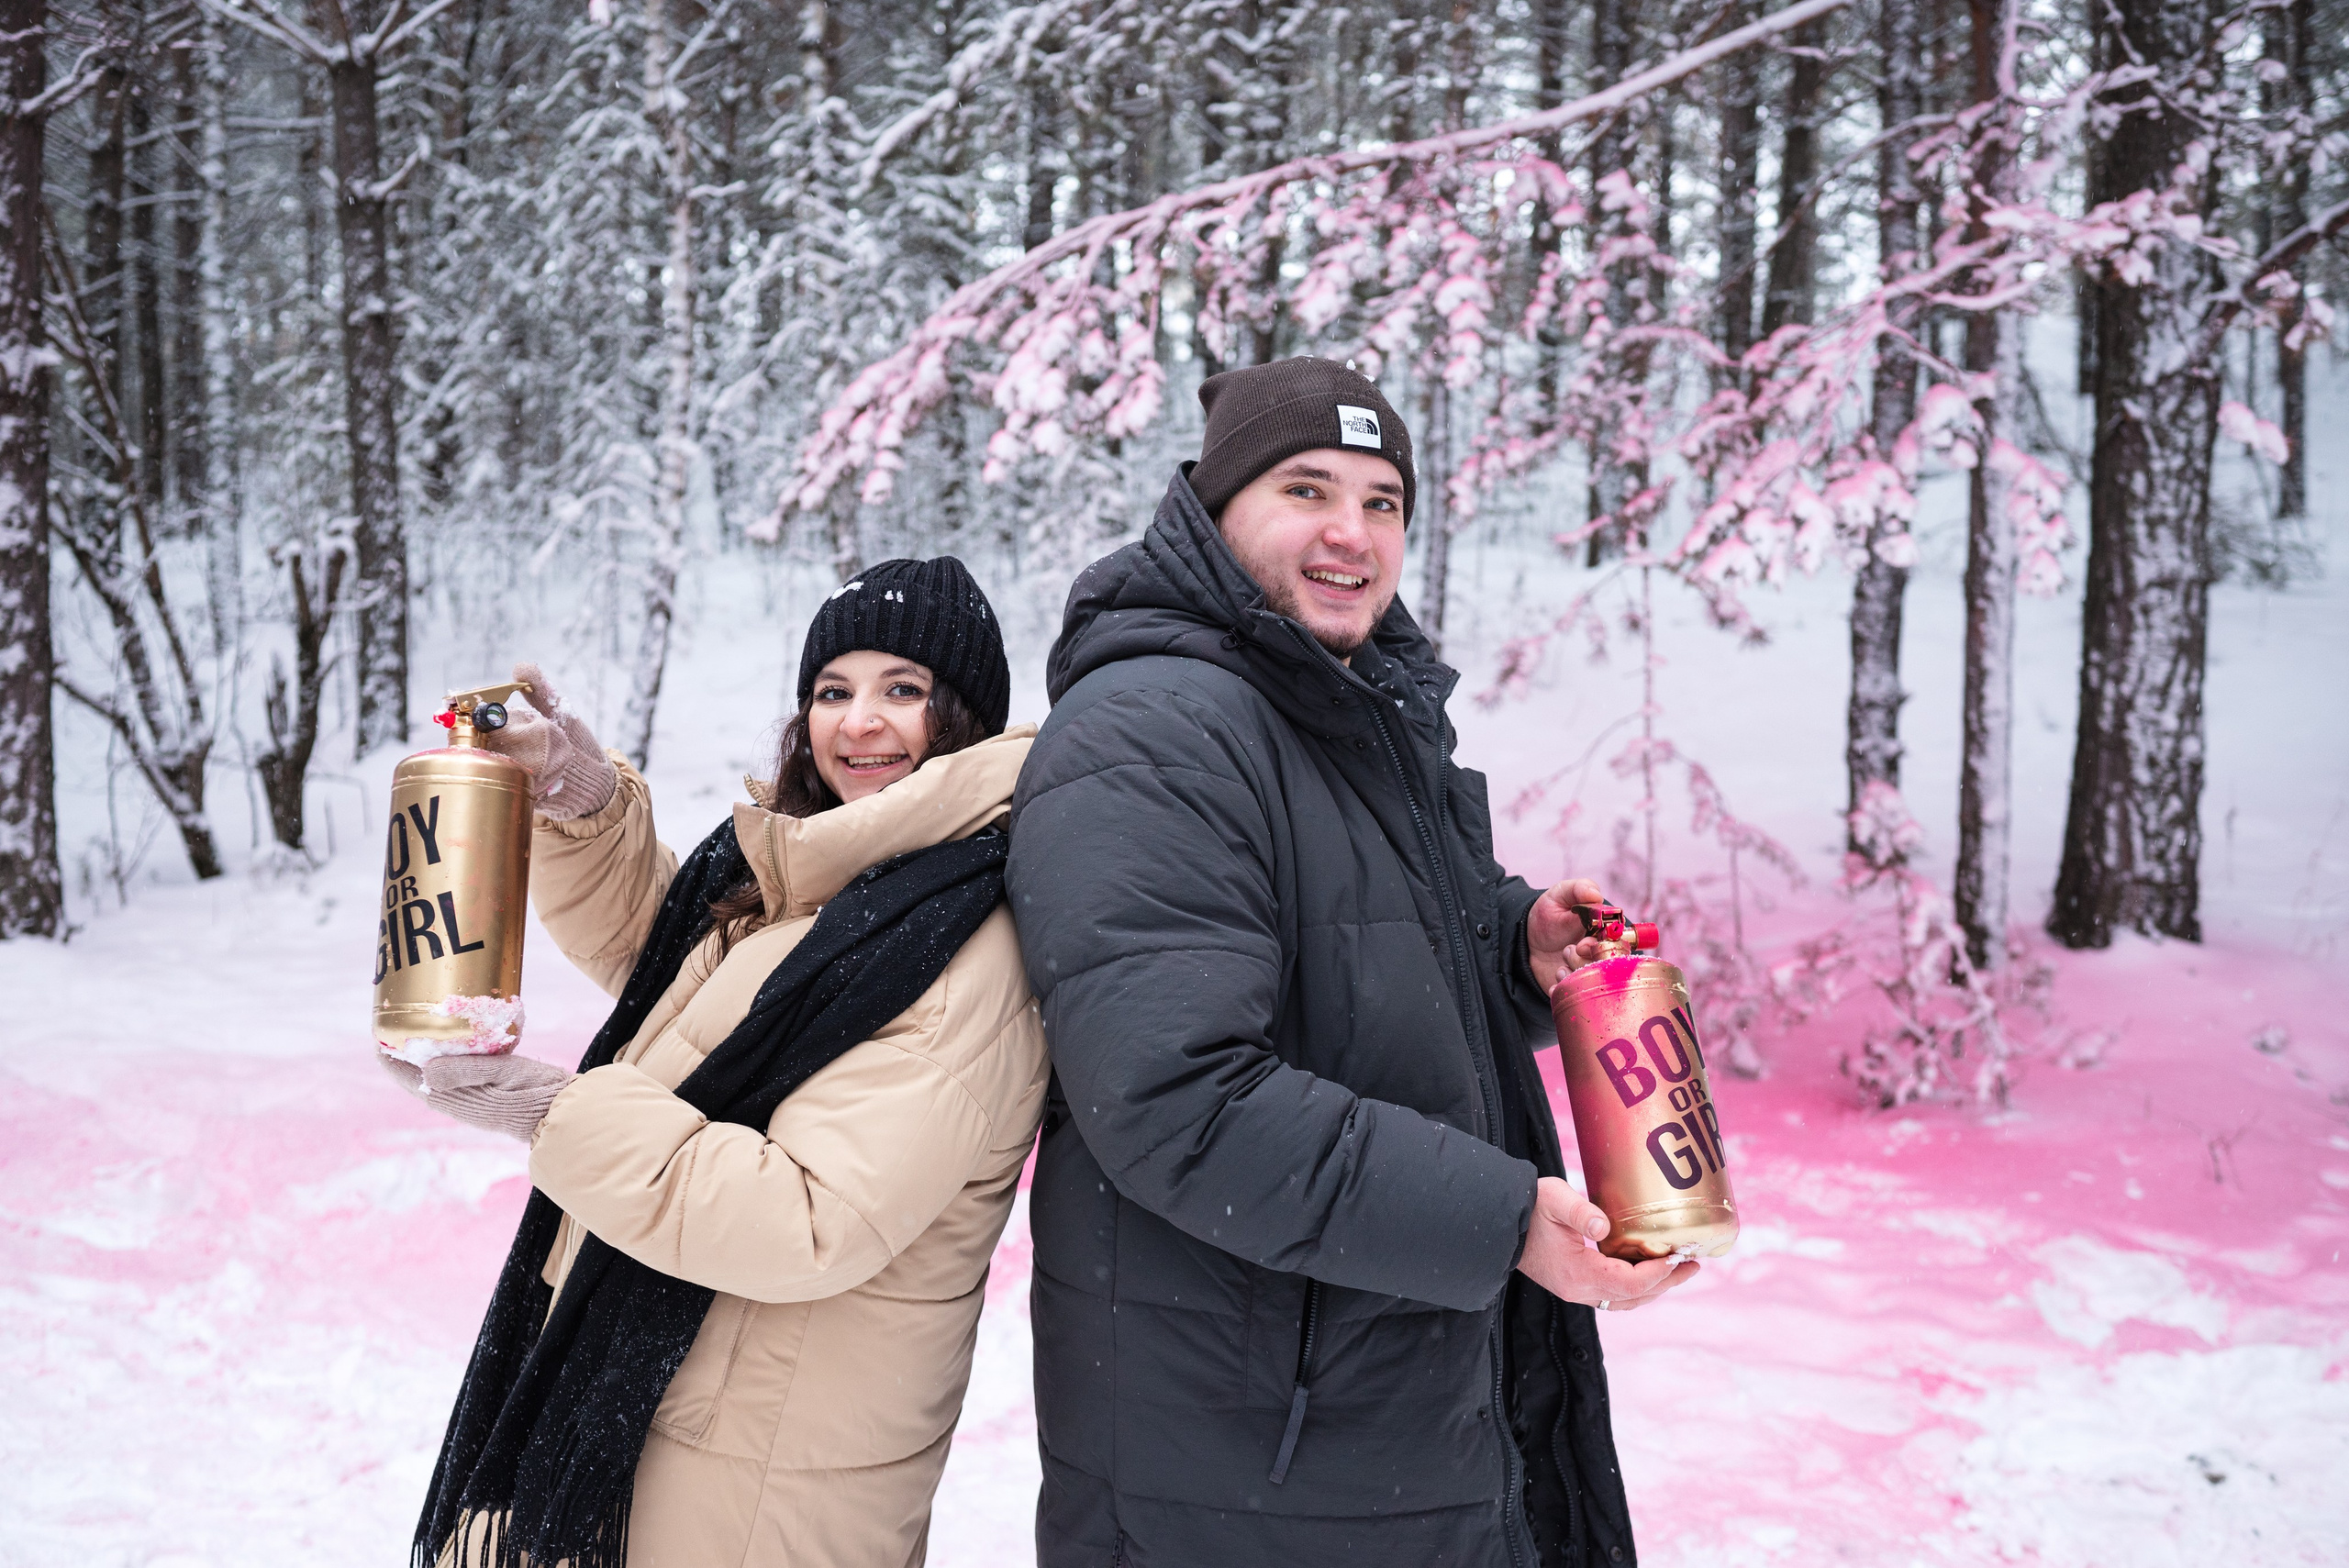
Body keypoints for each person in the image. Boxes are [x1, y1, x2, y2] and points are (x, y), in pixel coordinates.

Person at [1006, 359, 1698, 1567]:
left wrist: (1513, 943)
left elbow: (1356, 966)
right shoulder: (1153, 730)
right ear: (1215, 511)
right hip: (1242, 1466)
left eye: (1384, 502)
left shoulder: (1341, 709)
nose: (1352, 531)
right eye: (1307, 488)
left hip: (1382, 1418)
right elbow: (1178, 1097)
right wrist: (1498, 1221)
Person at [387, 557, 1046, 1568]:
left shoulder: (962, 937)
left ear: (962, 715)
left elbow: (809, 1216)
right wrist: (580, 799)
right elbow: (673, 981)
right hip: (682, 1423)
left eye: (901, 690)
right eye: (833, 690)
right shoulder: (828, 878)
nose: (857, 722)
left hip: (759, 1485)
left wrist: (553, 1114)